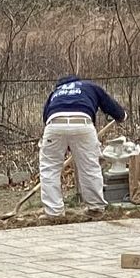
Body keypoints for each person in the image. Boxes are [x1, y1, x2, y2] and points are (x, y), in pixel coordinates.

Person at [38, 76, 125, 215]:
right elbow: (110, 105)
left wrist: (63, 141)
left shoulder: (56, 92)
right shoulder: (89, 86)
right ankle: (96, 207)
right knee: (90, 167)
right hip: (82, 123)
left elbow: (45, 116)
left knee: (49, 169)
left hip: (54, 125)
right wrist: (121, 116)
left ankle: (54, 212)